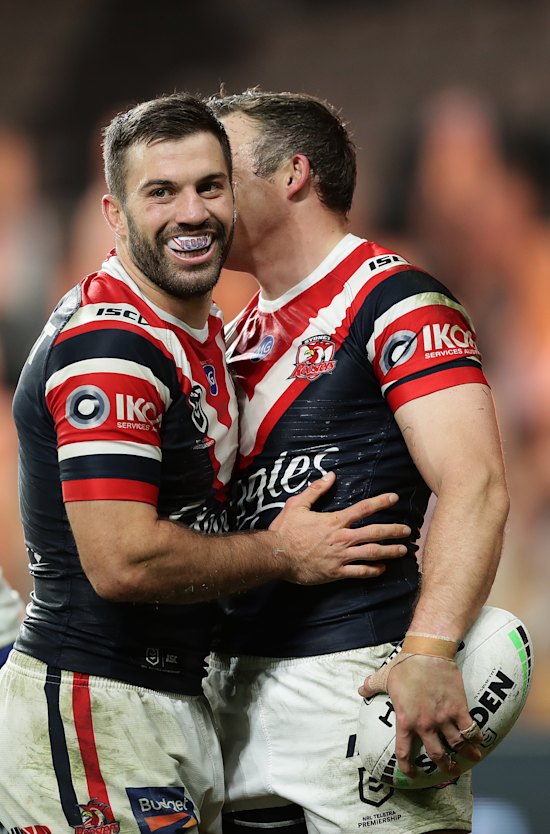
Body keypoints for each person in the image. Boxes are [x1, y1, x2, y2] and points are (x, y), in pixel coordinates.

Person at [0, 93, 410, 834]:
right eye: (160, 192)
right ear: (115, 216)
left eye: (209, 187)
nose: (191, 212)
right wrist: (282, 553)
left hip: (168, 701)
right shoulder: (112, 349)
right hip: (101, 701)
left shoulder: (202, 333)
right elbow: (121, 561)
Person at [202, 89, 510, 834]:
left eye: (219, 175)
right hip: (233, 713)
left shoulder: (396, 300)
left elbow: (475, 484)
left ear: (293, 174)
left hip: (358, 688)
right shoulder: (227, 333)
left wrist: (431, 653)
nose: (200, 198)